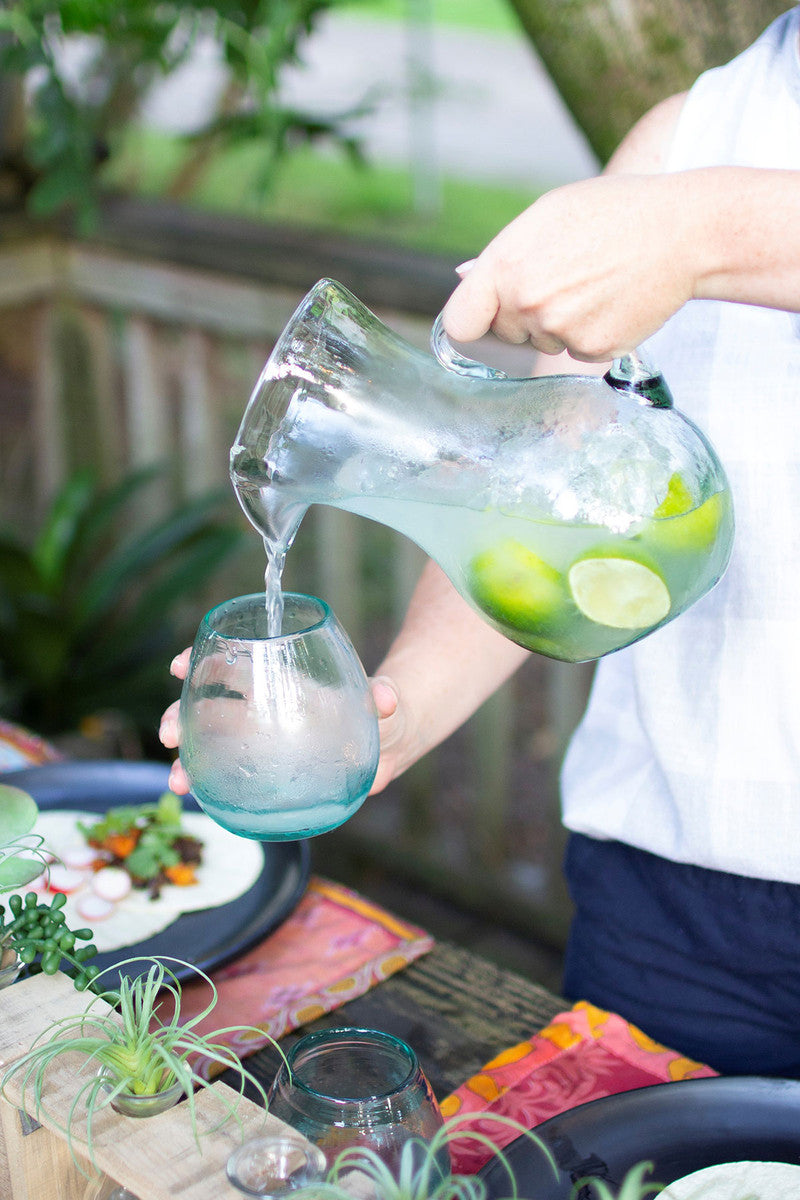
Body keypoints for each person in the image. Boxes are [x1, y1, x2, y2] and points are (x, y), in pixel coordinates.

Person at [160, 7, 800, 1076]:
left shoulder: (683, 194)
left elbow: (698, 229)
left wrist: (703, 232)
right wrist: (392, 713)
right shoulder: (684, 134)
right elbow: (533, 488)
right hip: (667, 899)